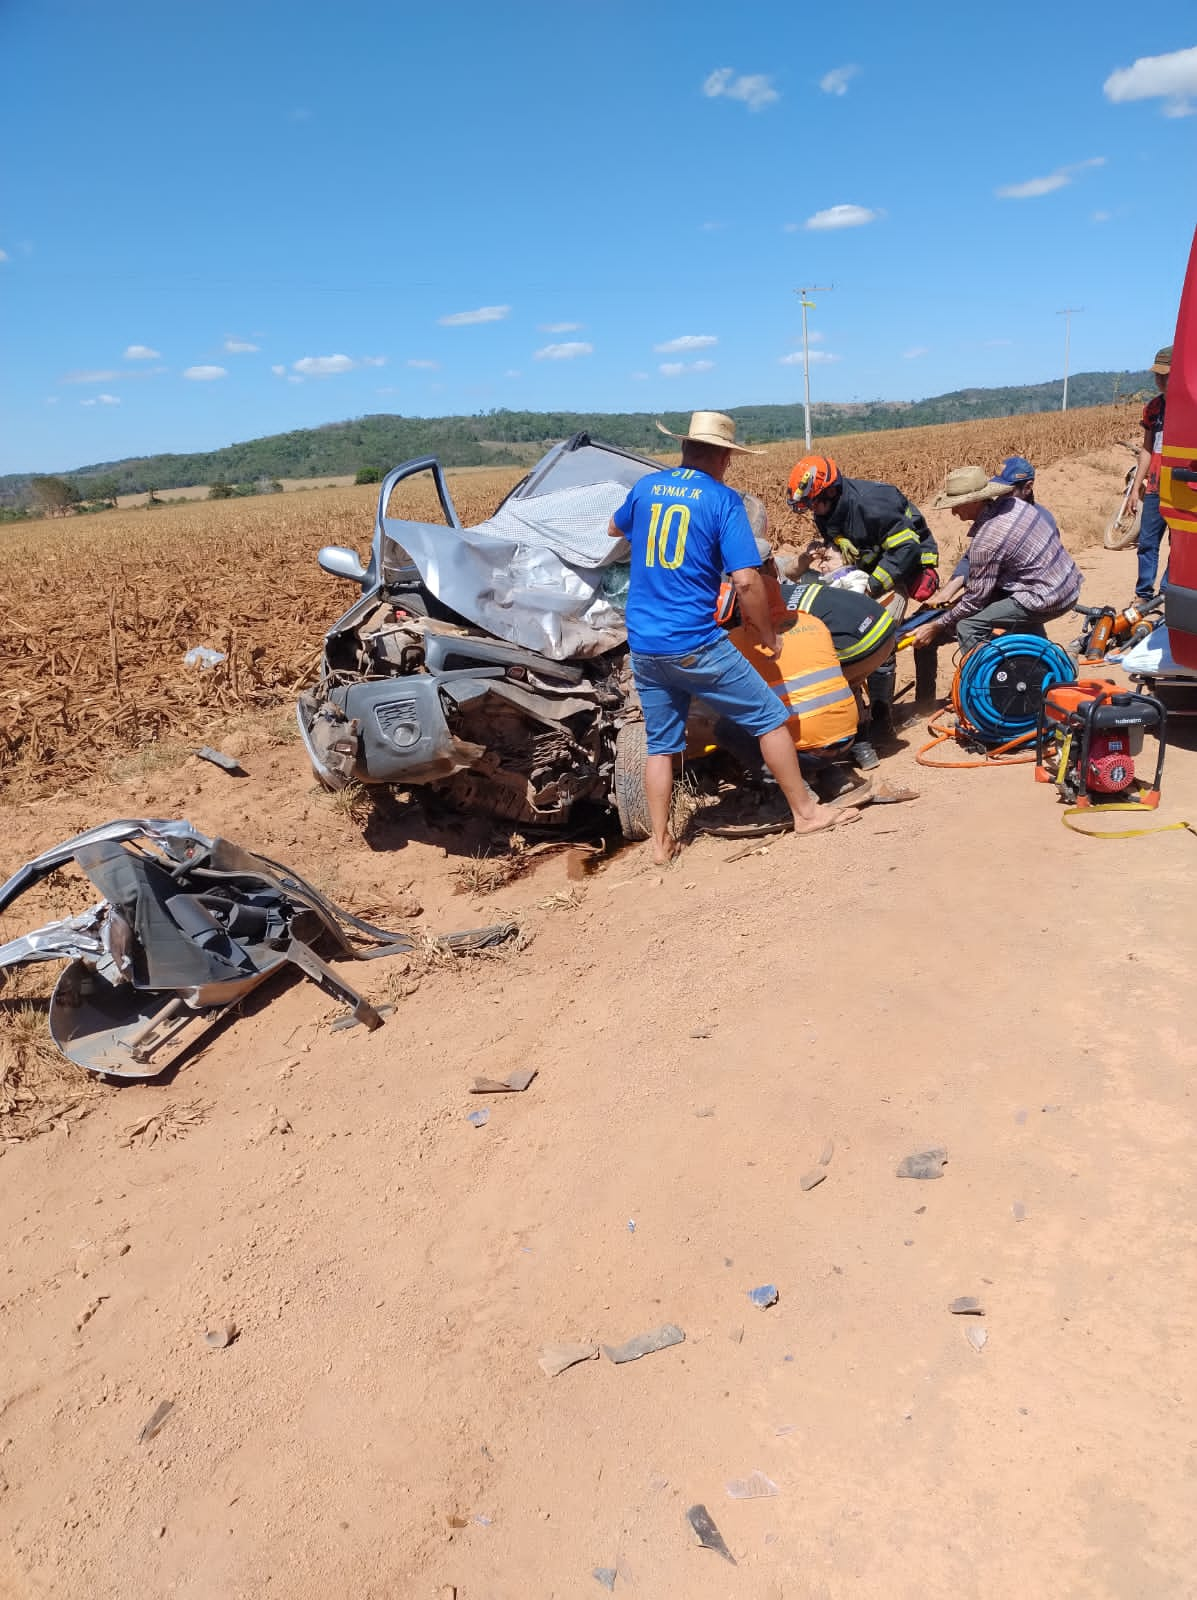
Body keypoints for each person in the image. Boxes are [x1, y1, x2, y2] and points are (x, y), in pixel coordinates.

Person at [607, 411, 855, 862]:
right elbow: (746, 580)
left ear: (684, 449)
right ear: (724, 457)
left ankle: (661, 846)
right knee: (769, 720)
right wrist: (766, 634)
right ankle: (806, 813)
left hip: (644, 643)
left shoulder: (646, 487)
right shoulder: (723, 501)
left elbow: (613, 528)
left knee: (661, 746)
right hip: (695, 642)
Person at [786, 454, 939, 733]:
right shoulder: (827, 510)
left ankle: (882, 724)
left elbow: (906, 550)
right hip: (865, 570)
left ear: (831, 491)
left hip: (899, 571)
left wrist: (870, 587)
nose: (813, 511)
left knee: (879, 636)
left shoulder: (873, 503)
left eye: (815, 503)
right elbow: (841, 540)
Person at [909, 465, 1081, 656]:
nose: (954, 512)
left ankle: (993, 679)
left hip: (1047, 597)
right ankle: (1037, 659)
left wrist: (936, 625)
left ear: (974, 502)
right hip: (1066, 584)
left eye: (957, 504)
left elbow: (975, 601)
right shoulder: (1015, 505)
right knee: (1008, 614)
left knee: (968, 626)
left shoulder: (988, 539)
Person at [1127, 345, 1172, 600]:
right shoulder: (1153, 408)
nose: (1160, 380)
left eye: (1165, 375)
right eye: (1157, 375)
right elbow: (1146, 449)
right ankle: (1144, 593)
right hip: (1155, 485)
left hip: (1183, 487)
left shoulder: (1191, 406)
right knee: (1147, 542)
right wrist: (1136, 488)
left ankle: (1167, 591)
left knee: (1178, 545)